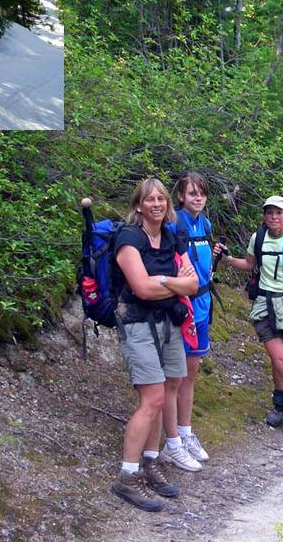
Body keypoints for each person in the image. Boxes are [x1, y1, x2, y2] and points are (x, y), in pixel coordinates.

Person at [110, 178, 200, 512]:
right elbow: (141, 289)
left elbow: (193, 284)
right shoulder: (128, 238)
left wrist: (161, 281)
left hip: (169, 322)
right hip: (137, 323)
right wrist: (173, 283)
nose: (157, 204)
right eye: (150, 199)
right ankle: (127, 477)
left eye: (161, 199)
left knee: (168, 388)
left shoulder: (172, 236)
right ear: (138, 205)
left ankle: (150, 462)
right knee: (152, 400)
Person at [215, 195, 283, 435]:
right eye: (269, 212)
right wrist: (228, 260)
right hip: (266, 302)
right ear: (264, 216)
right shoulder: (258, 238)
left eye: (278, 213)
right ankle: (282, 404)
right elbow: (249, 264)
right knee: (279, 360)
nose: (274, 217)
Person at [170, 172, 214, 462]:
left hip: (203, 305)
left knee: (192, 372)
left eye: (201, 193)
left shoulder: (205, 224)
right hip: (183, 307)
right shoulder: (175, 222)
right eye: (192, 193)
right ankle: (173, 440)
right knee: (176, 376)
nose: (197, 198)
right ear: (181, 196)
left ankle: (185, 433)